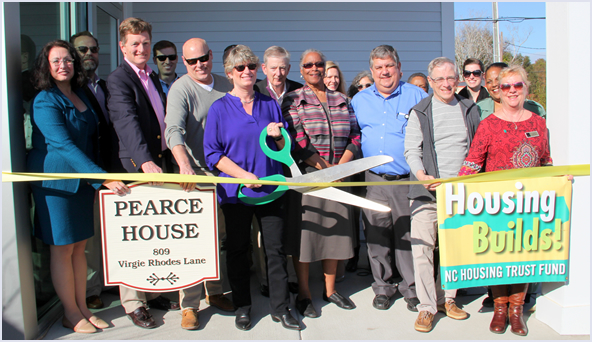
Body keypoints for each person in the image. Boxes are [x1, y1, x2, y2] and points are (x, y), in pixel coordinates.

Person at [26, 40, 129, 334]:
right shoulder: (45, 100)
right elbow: (63, 146)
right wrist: (102, 177)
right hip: (57, 183)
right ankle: (70, 313)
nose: (63, 65)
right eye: (56, 61)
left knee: (79, 248)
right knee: (62, 248)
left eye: (68, 59)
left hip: (82, 182)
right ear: (46, 66)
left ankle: (82, 306)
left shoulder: (80, 92)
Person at [203, 45, 299, 332]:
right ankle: (242, 307)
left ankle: (281, 308)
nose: (247, 72)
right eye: (240, 68)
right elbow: (212, 155)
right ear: (230, 73)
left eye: (251, 67)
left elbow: (284, 147)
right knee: (238, 251)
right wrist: (243, 175)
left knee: (276, 251)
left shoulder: (269, 103)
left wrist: (278, 135)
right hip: (235, 194)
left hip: (271, 190)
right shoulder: (219, 108)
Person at [458, 65, 554, 337]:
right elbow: (473, 162)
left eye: (517, 85)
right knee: (497, 257)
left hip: (528, 204)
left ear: (525, 87)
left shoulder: (538, 123)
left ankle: (516, 311)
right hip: (497, 204)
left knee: (523, 257)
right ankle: (500, 308)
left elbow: (546, 160)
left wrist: (559, 177)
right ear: (498, 91)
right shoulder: (489, 124)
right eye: (506, 86)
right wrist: (452, 186)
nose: (512, 91)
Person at [107, 17, 179, 329]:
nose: (142, 48)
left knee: (155, 232)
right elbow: (126, 122)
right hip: (138, 166)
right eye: (135, 43)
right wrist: (145, 161)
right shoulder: (119, 79)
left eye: (145, 43)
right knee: (136, 239)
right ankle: (134, 302)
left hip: (160, 161)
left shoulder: (149, 75)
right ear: (122, 46)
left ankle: (151, 292)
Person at [404, 57, 480, 332]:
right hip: (426, 193)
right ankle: (426, 308)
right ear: (431, 82)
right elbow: (412, 149)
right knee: (422, 249)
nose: (446, 84)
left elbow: (478, 148)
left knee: (454, 249)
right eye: (440, 79)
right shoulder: (420, 111)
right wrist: (422, 176)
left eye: (451, 78)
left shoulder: (469, 109)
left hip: (460, 193)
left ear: (457, 80)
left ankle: (448, 299)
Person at [282, 49, 360, 318]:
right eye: (308, 65)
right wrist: (325, 169)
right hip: (308, 177)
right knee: (307, 236)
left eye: (319, 64)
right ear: (301, 70)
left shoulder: (342, 99)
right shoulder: (293, 99)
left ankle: (330, 290)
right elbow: (297, 139)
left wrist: (343, 165)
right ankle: (304, 293)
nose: (314, 68)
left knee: (334, 233)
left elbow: (355, 134)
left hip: (340, 174)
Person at [164, 37, 235, 330]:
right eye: (192, 61)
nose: (199, 65)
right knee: (194, 243)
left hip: (228, 174)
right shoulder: (181, 88)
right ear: (184, 62)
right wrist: (184, 165)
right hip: (197, 174)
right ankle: (189, 304)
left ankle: (216, 292)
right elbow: (173, 130)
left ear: (211, 56)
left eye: (203, 58)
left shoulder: (225, 83)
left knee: (219, 239)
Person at [351, 45, 426, 313]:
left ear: (398, 68)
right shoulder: (359, 100)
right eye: (379, 67)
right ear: (372, 71)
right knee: (376, 233)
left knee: (406, 235)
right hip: (373, 180)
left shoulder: (417, 95)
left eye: (389, 66)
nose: (384, 72)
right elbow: (353, 136)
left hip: (405, 178)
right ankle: (382, 287)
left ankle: (412, 288)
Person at [70, 30, 125, 312]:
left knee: (115, 230)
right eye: (82, 50)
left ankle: (116, 279)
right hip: (89, 173)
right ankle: (92, 288)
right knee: (90, 237)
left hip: (113, 168)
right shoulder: (70, 90)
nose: (89, 54)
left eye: (93, 49)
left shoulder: (106, 86)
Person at [253, 45, 302, 297]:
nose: (278, 72)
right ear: (264, 69)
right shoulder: (255, 90)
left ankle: (291, 277)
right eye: (273, 68)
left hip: (294, 167)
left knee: (289, 225)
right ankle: (266, 280)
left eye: (283, 67)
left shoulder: (298, 91)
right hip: (264, 169)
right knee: (266, 232)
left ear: (289, 68)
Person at [477, 62, 546, 120]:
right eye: (489, 82)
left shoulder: (534, 109)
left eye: (498, 79)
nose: (494, 84)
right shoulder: (478, 109)